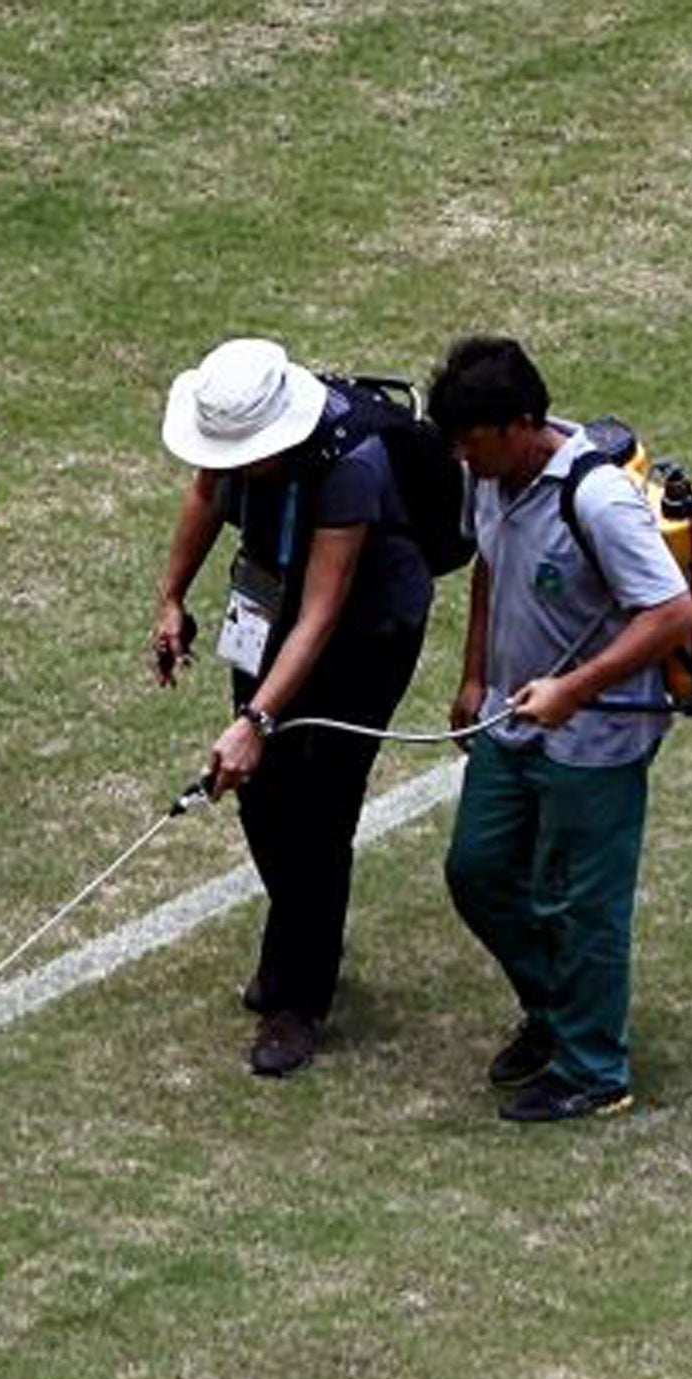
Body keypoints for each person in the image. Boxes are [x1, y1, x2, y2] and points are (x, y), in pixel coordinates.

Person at [428, 336, 692, 1122]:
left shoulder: (599, 499)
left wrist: (574, 691)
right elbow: (488, 562)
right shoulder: (490, 474)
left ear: (521, 424)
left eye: (473, 443)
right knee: (477, 871)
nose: (464, 460)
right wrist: (474, 676)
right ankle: (558, 1011)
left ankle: (593, 1069)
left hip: (596, 737)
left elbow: (672, 612)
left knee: (586, 906)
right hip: (512, 717)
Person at [154, 339, 432, 1076]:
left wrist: (256, 722)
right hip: (269, 600)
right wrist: (172, 596)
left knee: (321, 806)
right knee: (260, 797)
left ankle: (298, 999)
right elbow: (206, 496)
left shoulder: (353, 469)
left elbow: (322, 614)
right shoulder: (233, 441)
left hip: (364, 631)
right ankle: (305, 935)